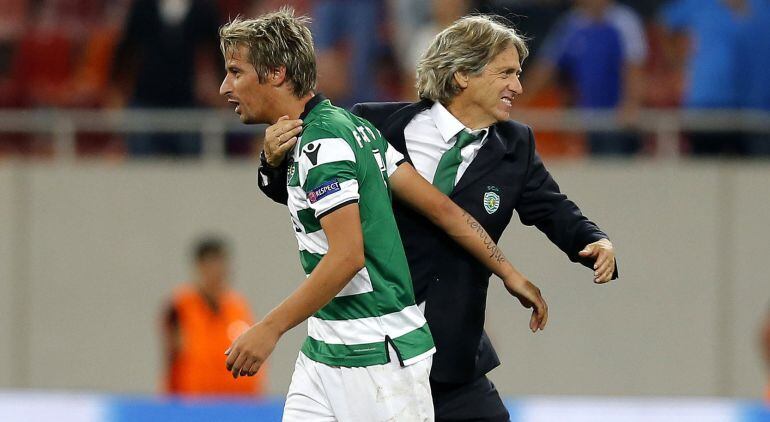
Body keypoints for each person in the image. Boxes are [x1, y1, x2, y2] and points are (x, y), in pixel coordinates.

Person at [259, 14, 617, 421]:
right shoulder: (373, 125)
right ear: (463, 74)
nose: (518, 86)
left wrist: (593, 240)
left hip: (453, 363)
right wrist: (271, 162)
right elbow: (300, 189)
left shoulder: (516, 146)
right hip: (377, 354)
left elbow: (554, 208)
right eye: (506, 73)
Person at [521, 0, 648, 156]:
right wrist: (520, 101)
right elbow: (546, 67)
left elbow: (633, 66)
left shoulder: (625, 21)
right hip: (583, 119)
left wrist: (631, 103)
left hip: (616, 119)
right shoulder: (571, 23)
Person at [161, 236, 265, 395]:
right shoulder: (180, 306)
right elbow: (172, 357)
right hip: (195, 406)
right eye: (211, 264)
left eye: (221, 264)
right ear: (199, 266)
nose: (217, 271)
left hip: (241, 406)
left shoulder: (239, 306)